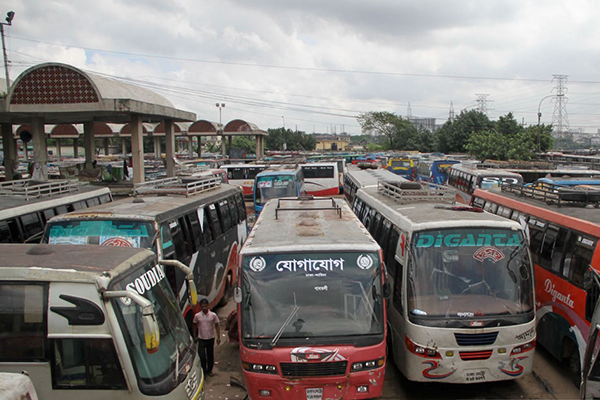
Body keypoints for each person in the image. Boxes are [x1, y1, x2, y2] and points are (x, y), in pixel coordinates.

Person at [193, 299, 221, 377]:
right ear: (200, 307)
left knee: (210, 355)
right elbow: (194, 325)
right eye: (202, 306)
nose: (204, 308)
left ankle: (209, 370)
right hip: (201, 338)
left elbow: (217, 326)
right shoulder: (197, 316)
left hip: (210, 338)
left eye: (205, 306)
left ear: (208, 306)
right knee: (202, 356)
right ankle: (204, 371)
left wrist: (218, 337)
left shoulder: (213, 315)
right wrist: (195, 336)